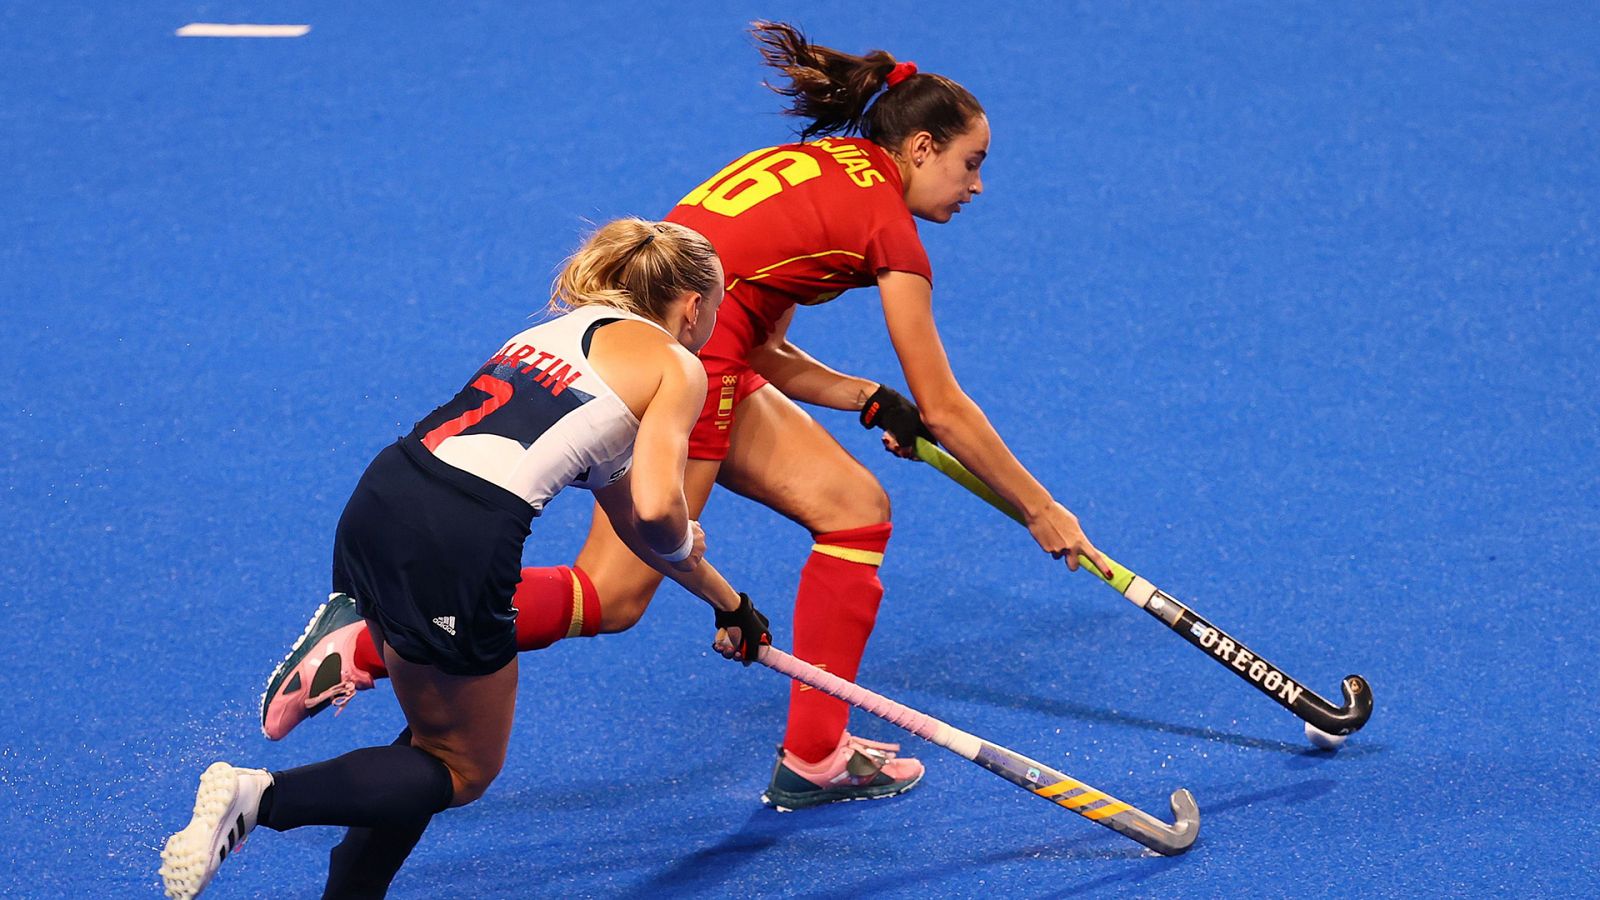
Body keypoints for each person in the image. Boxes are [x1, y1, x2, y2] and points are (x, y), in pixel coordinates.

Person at [261, 21, 1110, 813]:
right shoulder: (889, 228)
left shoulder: (824, 166)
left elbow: (758, 337)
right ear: (921, 148)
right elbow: (946, 407)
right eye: (970, 162)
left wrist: (861, 395)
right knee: (614, 594)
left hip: (679, 340)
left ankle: (815, 754)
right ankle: (368, 644)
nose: (976, 185)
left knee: (855, 509)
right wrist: (1040, 509)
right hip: (687, 367)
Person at [161, 219, 771, 900]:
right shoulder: (677, 367)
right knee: (460, 766)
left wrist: (730, 604)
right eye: (717, 307)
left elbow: (631, 519)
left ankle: (350, 885)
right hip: (457, 543)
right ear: (693, 306)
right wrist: (684, 537)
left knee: (433, 735)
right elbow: (659, 514)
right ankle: (260, 797)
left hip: (383, 495)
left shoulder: (561, 332)